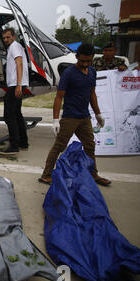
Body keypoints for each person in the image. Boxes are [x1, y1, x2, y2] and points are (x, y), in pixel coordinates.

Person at [38, 43, 111, 187]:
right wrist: (55, 120)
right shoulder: (69, 73)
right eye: (82, 60)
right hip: (70, 117)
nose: (85, 64)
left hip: (85, 117)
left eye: (88, 61)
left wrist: (98, 114)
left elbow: (92, 94)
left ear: (91, 59)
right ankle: (46, 175)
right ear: (77, 56)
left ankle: (93, 173)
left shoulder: (92, 72)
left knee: (90, 146)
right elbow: (59, 96)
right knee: (59, 146)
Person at [0, 27, 29, 155]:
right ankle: (23, 141)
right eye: (4, 38)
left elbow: (19, 64)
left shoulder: (15, 47)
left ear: (13, 37)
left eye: (8, 37)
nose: (5, 40)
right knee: (16, 114)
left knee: (9, 115)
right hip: (16, 84)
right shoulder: (15, 47)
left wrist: (18, 85)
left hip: (16, 84)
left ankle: (14, 145)